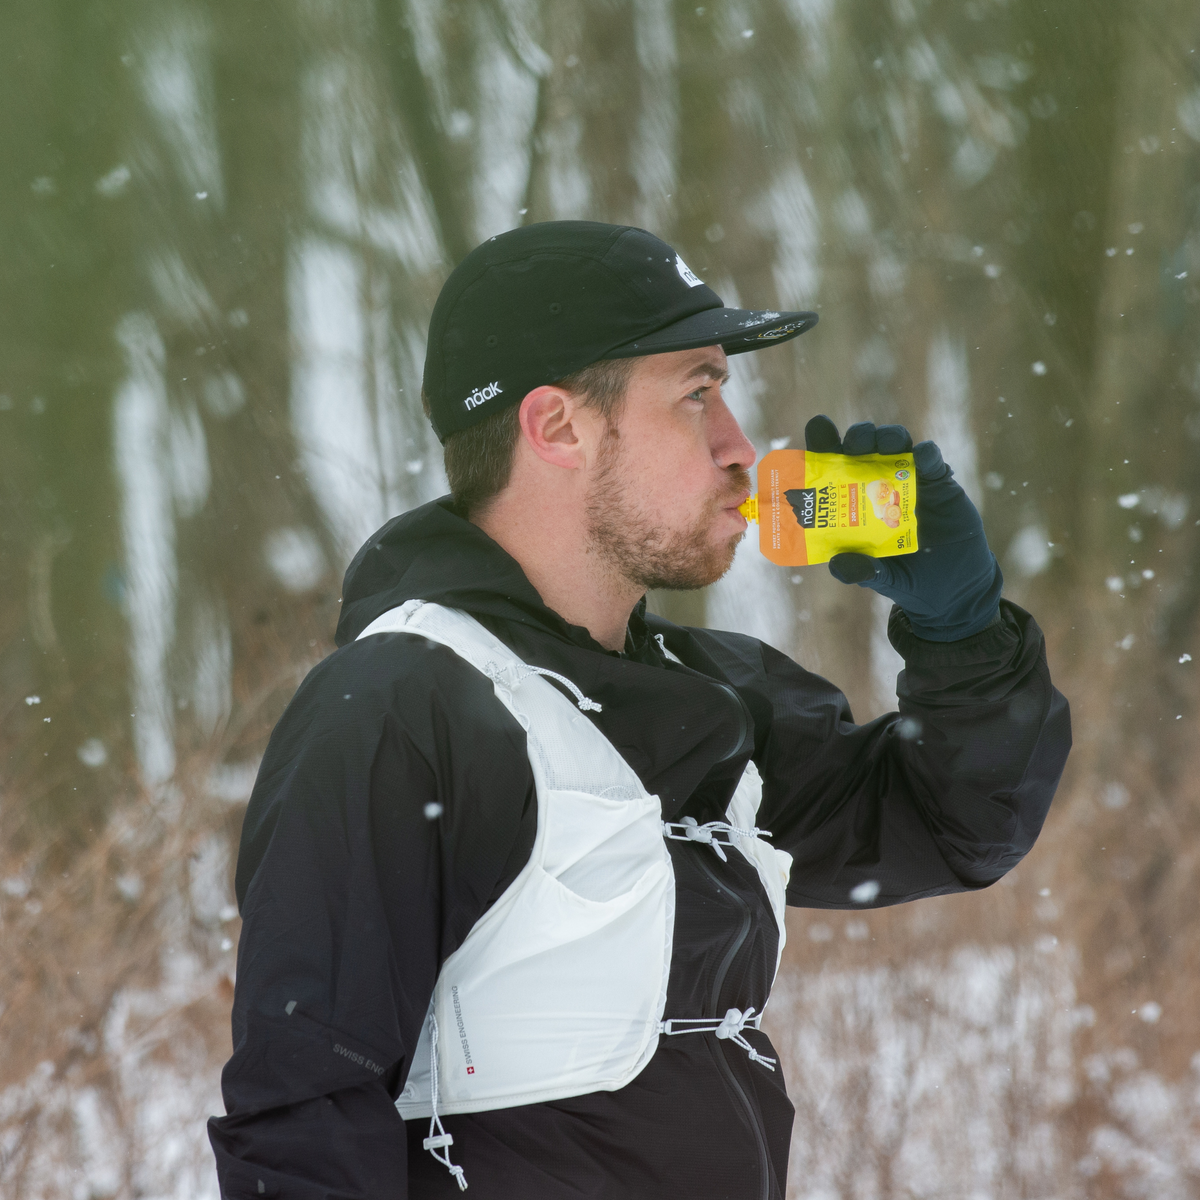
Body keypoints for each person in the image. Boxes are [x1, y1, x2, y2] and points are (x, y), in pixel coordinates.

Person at [208, 221, 1071, 1200]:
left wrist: (961, 635)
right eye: (696, 395)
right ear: (558, 427)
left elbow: (958, 824)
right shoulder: (398, 708)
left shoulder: (716, 695)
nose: (742, 450)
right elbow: (302, 1122)